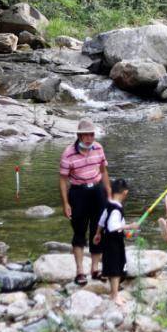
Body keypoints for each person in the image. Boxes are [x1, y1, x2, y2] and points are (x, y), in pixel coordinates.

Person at [59, 119, 111, 286]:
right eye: (86, 135)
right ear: (79, 136)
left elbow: (103, 170)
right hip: (78, 192)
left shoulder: (98, 148)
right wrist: (66, 203)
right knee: (79, 232)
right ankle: (80, 271)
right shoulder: (68, 153)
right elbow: (63, 180)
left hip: (97, 190)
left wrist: (108, 191)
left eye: (92, 134)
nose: (89, 138)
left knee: (98, 230)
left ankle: (95, 269)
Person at [92, 178, 138, 306]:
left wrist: (97, 233)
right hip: (114, 242)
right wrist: (129, 226)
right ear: (125, 193)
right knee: (116, 268)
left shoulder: (110, 204)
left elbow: (102, 221)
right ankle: (115, 295)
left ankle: (113, 293)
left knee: (113, 266)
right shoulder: (117, 209)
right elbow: (113, 226)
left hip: (108, 239)